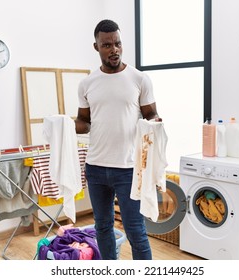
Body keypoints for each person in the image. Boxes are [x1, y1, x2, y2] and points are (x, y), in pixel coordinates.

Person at [74, 19, 161, 260]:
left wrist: (155, 122)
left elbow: (150, 114)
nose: (114, 50)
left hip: (128, 169)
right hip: (96, 167)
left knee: (136, 231)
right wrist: (65, 125)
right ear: (96, 47)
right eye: (107, 45)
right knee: (102, 227)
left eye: (118, 44)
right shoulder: (87, 83)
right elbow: (84, 121)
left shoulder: (139, 79)